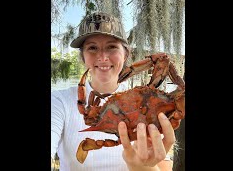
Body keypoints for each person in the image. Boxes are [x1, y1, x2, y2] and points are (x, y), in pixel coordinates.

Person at [51, 11, 176, 171]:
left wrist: (143, 167)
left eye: (111, 47)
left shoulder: (148, 102)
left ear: (125, 55)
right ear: (83, 57)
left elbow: (165, 167)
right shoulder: (59, 101)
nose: (102, 56)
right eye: (92, 48)